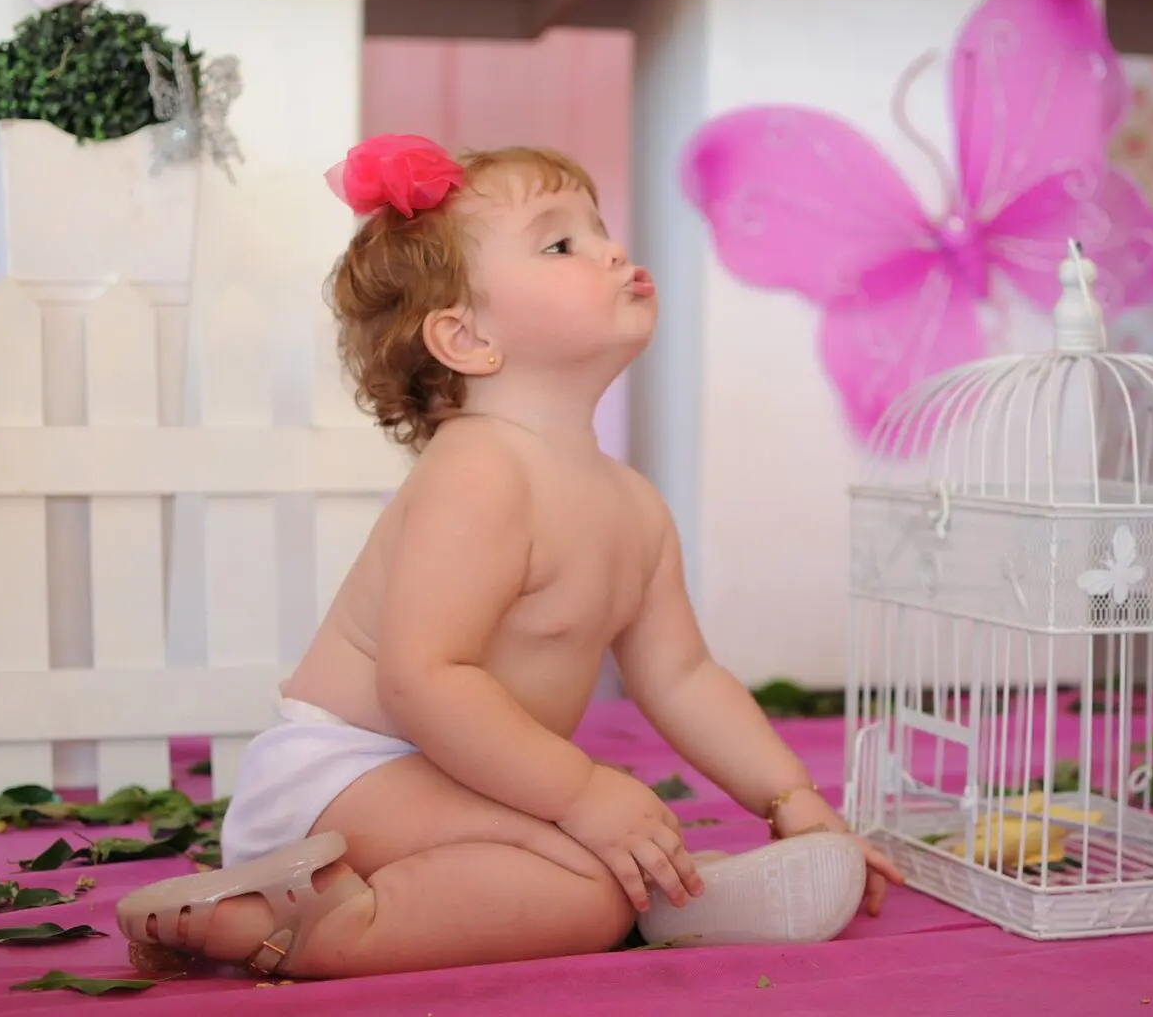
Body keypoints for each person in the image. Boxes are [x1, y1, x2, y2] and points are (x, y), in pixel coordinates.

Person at [115, 134, 902, 979]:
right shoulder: (481, 470)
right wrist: (580, 794)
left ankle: (596, 893)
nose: (612, 250)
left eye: (600, 230)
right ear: (465, 336)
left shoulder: (632, 505)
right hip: (344, 776)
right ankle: (294, 928)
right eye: (562, 243)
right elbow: (423, 679)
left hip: (474, 776)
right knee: (592, 876)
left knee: (605, 859)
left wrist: (794, 803)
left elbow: (682, 677)